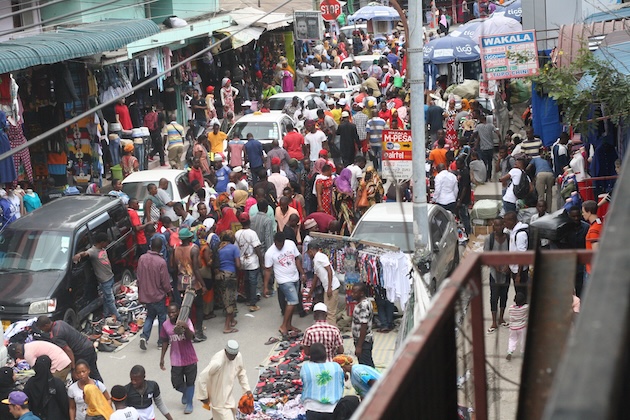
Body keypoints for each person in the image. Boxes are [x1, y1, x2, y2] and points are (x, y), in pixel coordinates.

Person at [263, 232, 306, 337]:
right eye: (278, 244)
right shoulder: (270, 253)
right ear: (274, 242)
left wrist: (302, 273)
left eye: (282, 244)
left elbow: (296, 259)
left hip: (295, 277)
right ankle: (283, 326)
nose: (280, 246)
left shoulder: (290, 244)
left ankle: (289, 325)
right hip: (283, 280)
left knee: (292, 303)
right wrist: (265, 287)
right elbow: (268, 270)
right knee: (293, 301)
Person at [195, 341, 251, 420]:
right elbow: (202, 377)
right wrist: (203, 396)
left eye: (234, 355)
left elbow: (241, 372)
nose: (233, 358)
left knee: (232, 415)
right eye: (231, 355)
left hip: (228, 396)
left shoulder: (238, 356)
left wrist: (247, 389)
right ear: (225, 351)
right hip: (218, 399)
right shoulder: (217, 362)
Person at [35, 317, 102, 382]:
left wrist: (73, 369)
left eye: (42, 329)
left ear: (46, 325)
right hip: (89, 345)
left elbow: (68, 351)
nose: (42, 331)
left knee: (78, 376)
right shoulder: (60, 322)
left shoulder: (56, 335)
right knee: (94, 372)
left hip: (81, 352)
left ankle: (82, 392)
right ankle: (102, 389)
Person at [72, 232, 120, 322]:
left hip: (110, 277)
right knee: (110, 300)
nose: (107, 244)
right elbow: (85, 253)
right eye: (106, 242)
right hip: (104, 280)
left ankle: (106, 315)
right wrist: (79, 255)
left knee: (106, 299)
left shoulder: (102, 249)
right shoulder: (93, 251)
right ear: (101, 242)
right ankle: (118, 317)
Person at [159, 304, 198, 415]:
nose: (171, 315)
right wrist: (162, 358)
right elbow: (165, 341)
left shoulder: (186, 321)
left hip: (190, 358)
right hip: (176, 360)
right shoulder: (165, 325)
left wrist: (185, 327)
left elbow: (191, 337)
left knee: (190, 382)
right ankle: (187, 393)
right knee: (176, 383)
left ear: (178, 312)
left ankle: (189, 403)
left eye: (174, 312)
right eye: (169, 313)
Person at [137, 237, 172, 351]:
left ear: (150, 246)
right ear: (161, 247)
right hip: (158, 295)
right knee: (162, 317)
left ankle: (144, 336)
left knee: (150, 316)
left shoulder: (142, 258)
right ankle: (161, 341)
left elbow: (138, 277)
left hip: (146, 295)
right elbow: (165, 281)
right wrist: (169, 291)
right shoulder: (161, 262)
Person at [173, 228, 207, 342]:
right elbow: (196, 269)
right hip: (193, 283)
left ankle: (186, 332)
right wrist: (203, 285)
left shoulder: (176, 249)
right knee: (199, 307)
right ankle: (198, 333)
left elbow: (172, 267)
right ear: (189, 238)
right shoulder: (194, 249)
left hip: (181, 283)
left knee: (186, 308)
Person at [300, 343, 344, 419]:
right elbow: (341, 381)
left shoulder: (306, 367)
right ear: (325, 354)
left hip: (312, 408)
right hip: (334, 408)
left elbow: (304, 382)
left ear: (310, 356)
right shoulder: (335, 366)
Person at [484, 217, 510, 333]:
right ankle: (494, 321)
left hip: (506, 272)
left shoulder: (508, 238)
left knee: (504, 295)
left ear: (504, 225)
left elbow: (512, 253)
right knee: (494, 297)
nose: (498, 228)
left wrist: (508, 266)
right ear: (493, 226)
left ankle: (501, 318)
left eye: (500, 225)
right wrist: (496, 267)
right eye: (496, 225)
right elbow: (486, 257)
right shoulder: (489, 239)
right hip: (494, 273)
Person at [23, 356, 69, 420]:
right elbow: (64, 403)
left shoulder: (30, 383)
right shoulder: (56, 383)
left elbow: (26, 401)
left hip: (35, 416)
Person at [307, 243, 341, 327]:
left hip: (332, 287)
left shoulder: (320, 257)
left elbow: (329, 270)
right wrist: (310, 293)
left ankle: (333, 331)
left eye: (308, 253)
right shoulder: (315, 260)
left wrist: (330, 287)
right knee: (327, 311)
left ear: (310, 251)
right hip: (327, 288)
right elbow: (315, 278)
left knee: (330, 313)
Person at [235, 213, 264, 312]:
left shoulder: (237, 233)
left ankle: (248, 299)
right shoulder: (252, 233)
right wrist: (262, 261)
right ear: (249, 221)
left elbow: (237, 248)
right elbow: (257, 248)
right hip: (252, 261)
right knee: (253, 282)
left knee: (246, 281)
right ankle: (253, 303)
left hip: (242, 260)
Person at [215, 231, 241, 334]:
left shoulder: (219, 248)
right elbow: (238, 264)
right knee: (230, 300)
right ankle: (227, 327)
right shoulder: (234, 248)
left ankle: (232, 320)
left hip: (220, 276)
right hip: (230, 275)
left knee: (226, 298)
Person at [504, 211, 529, 297]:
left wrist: (518, 275)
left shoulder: (520, 234)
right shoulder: (513, 231)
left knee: (521, 295)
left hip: (520, 271)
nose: (505, 224)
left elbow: (522, 256)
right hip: (514, 269)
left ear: (512, 221)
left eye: (505, 222)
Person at [351, 282, 374, 367]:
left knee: (367, 367)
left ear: (361, 293)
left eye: (355, 292)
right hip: (363, 341)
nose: (352, 294)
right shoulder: (366, 302)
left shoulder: (363, 306)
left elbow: (364, 326)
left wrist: (359, 346)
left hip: (364, 342)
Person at [582, 199, 603, 286]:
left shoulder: (594, 230)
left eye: (583, 212)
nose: (582, 214)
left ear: (589, 212)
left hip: (591, 269)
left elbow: (595, 251)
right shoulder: (599, 224)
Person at [473, 114, 497, 181]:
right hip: (490, 147)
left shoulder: (478, 126)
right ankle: (489, 177)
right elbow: (498, 133)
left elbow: (475, 135)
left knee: (484, 164)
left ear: (480, 119)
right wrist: (500, 141)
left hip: (483, 148)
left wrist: (471, 143)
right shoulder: (491, 126)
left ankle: (484, 177)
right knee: (490, 163)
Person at [506, 292, 529, 361]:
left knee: (512, 339)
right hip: (522, 327)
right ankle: (523, 352)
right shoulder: (525, 308)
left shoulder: (510, 308)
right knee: (523, 340)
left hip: (512, 328)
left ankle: (510, 351)